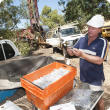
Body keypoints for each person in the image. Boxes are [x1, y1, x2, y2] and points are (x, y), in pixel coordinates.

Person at [67, 14, 109, 110]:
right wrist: (71, 52)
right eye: (89, 27)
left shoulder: (103, 42)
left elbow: (100, 60)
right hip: (84, 76)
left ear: (100, 29)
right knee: (85, 98)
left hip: (95, 78)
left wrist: (82, 55)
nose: (90, 30)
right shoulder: (82, 39)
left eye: (93, 28)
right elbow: (74, 52)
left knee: (99, 99)